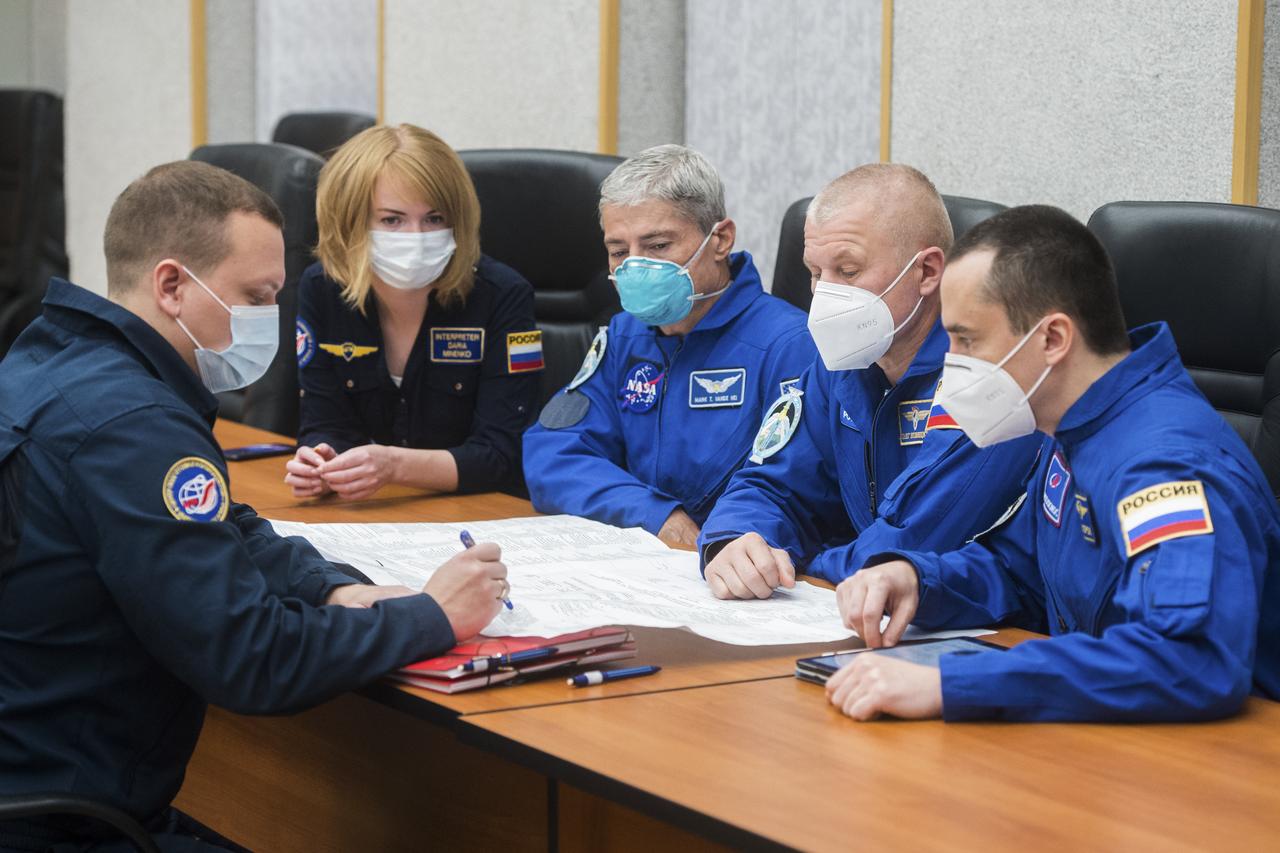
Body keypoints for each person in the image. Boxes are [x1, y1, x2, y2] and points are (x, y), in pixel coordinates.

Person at [0, 161, 507, 851]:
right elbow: (251, 657)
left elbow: (222, 524)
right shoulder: (132, 424)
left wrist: (331, 587)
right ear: (172, 285)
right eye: (256, 295)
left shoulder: (52, 357)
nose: (270, 315)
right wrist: (430, 616)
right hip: (62, 824)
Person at [826, 204, 1280, 722]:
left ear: (1053, 339)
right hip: (1114, 731)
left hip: (1221, 753)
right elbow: (1022, 574)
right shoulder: (1073, 430)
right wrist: (917, 579)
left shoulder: (1168, 466)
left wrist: (955, 683)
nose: (951, 362)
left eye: (967, 339)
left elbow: (1188, 658)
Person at [699, 164, 1041, 597]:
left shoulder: (987, 375)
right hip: (866, 609)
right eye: (815, 272)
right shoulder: (846, 361)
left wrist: (804, 562)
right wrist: (736, 539)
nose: (824, 294)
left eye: (848, 271)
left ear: (927, 272)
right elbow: (772, 482)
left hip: (982, 621)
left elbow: (909, 542)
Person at [521, 145, 816, 546]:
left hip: (742, 560)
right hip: (646, 556)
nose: (636, 266)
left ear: (721, 239)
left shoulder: (790, 344)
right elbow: (551, 454)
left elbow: (795, 490)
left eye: (658, 246)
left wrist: (712, 539)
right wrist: (652, 513)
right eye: (619, 252)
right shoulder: (624, 335)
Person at [286, 124, 540, 500]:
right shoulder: (322, 288)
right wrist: (324, 462)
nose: (416, 237)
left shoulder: (505, 295)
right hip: (374, 511)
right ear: (350, 222)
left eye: (434, 219)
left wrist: (394, 466)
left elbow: (504, 455)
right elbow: (324, 422)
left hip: (479, 510)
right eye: (392, 220)